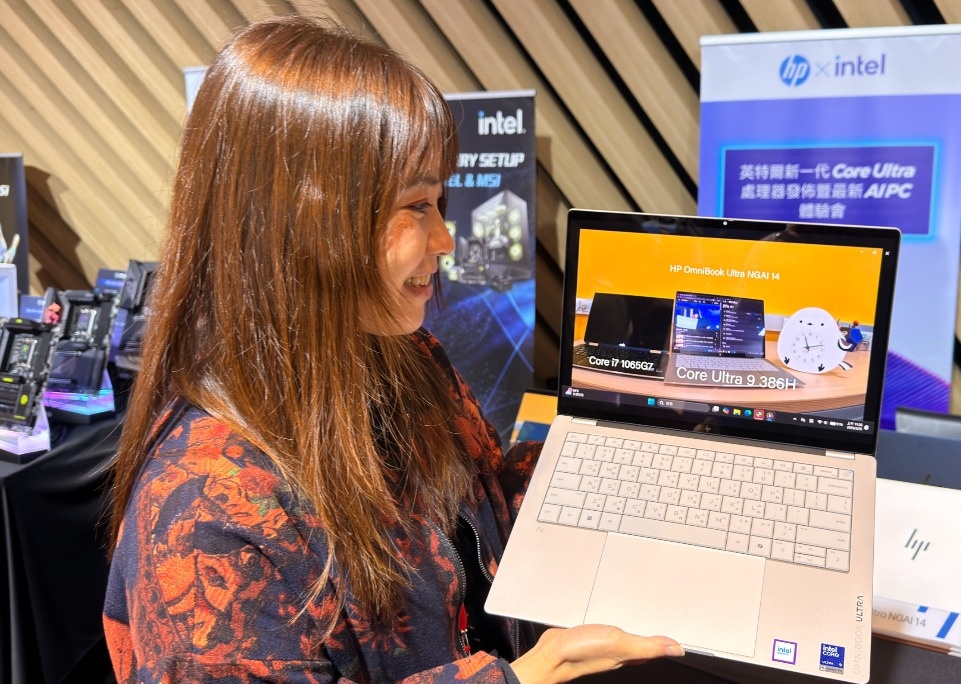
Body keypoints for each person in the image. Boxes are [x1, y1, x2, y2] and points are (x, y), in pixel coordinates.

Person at [103, 15, 682, 683]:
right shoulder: (206, 516)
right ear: (304, 219)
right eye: (416, 206)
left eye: (440, 201)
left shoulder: (402, 357)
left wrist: (609, 464)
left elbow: (478, 506)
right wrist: (519, 679)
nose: (445, 240)